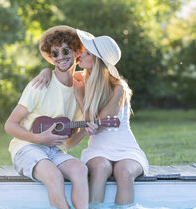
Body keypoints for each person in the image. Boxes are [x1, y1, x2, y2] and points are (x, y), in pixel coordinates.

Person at [33, 30, 149, 205]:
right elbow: (59, 73)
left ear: (97, 60)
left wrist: (81, 98)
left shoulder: (118, 88)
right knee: (100, 168)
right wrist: (46, 72)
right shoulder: (79, 78)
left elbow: (98, 125)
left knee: (124, 173)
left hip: (126, 148)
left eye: (86, 53)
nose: (80, 55)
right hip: (98, 149)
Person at [4, 25, 89, 209]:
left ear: (76, 52)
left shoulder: (79, 89)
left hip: (54, 151)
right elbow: (10, 125)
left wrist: (84, 132)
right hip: (26, 147)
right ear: (51, 58)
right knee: (54, 176)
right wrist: (38, 138)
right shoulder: (40, 84)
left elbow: (68, 143)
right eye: (55, 54)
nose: (61, 57)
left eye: (65, 50)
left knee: (80, 169)